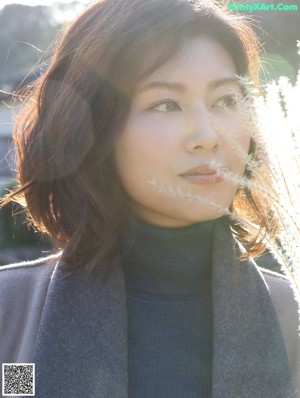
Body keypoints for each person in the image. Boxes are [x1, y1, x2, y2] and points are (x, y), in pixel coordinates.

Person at [0, 0, 299, 397]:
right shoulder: (14, 317)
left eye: (226, 100)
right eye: (166, 104)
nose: (208, 135)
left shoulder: (289, 320)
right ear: (93, 131)